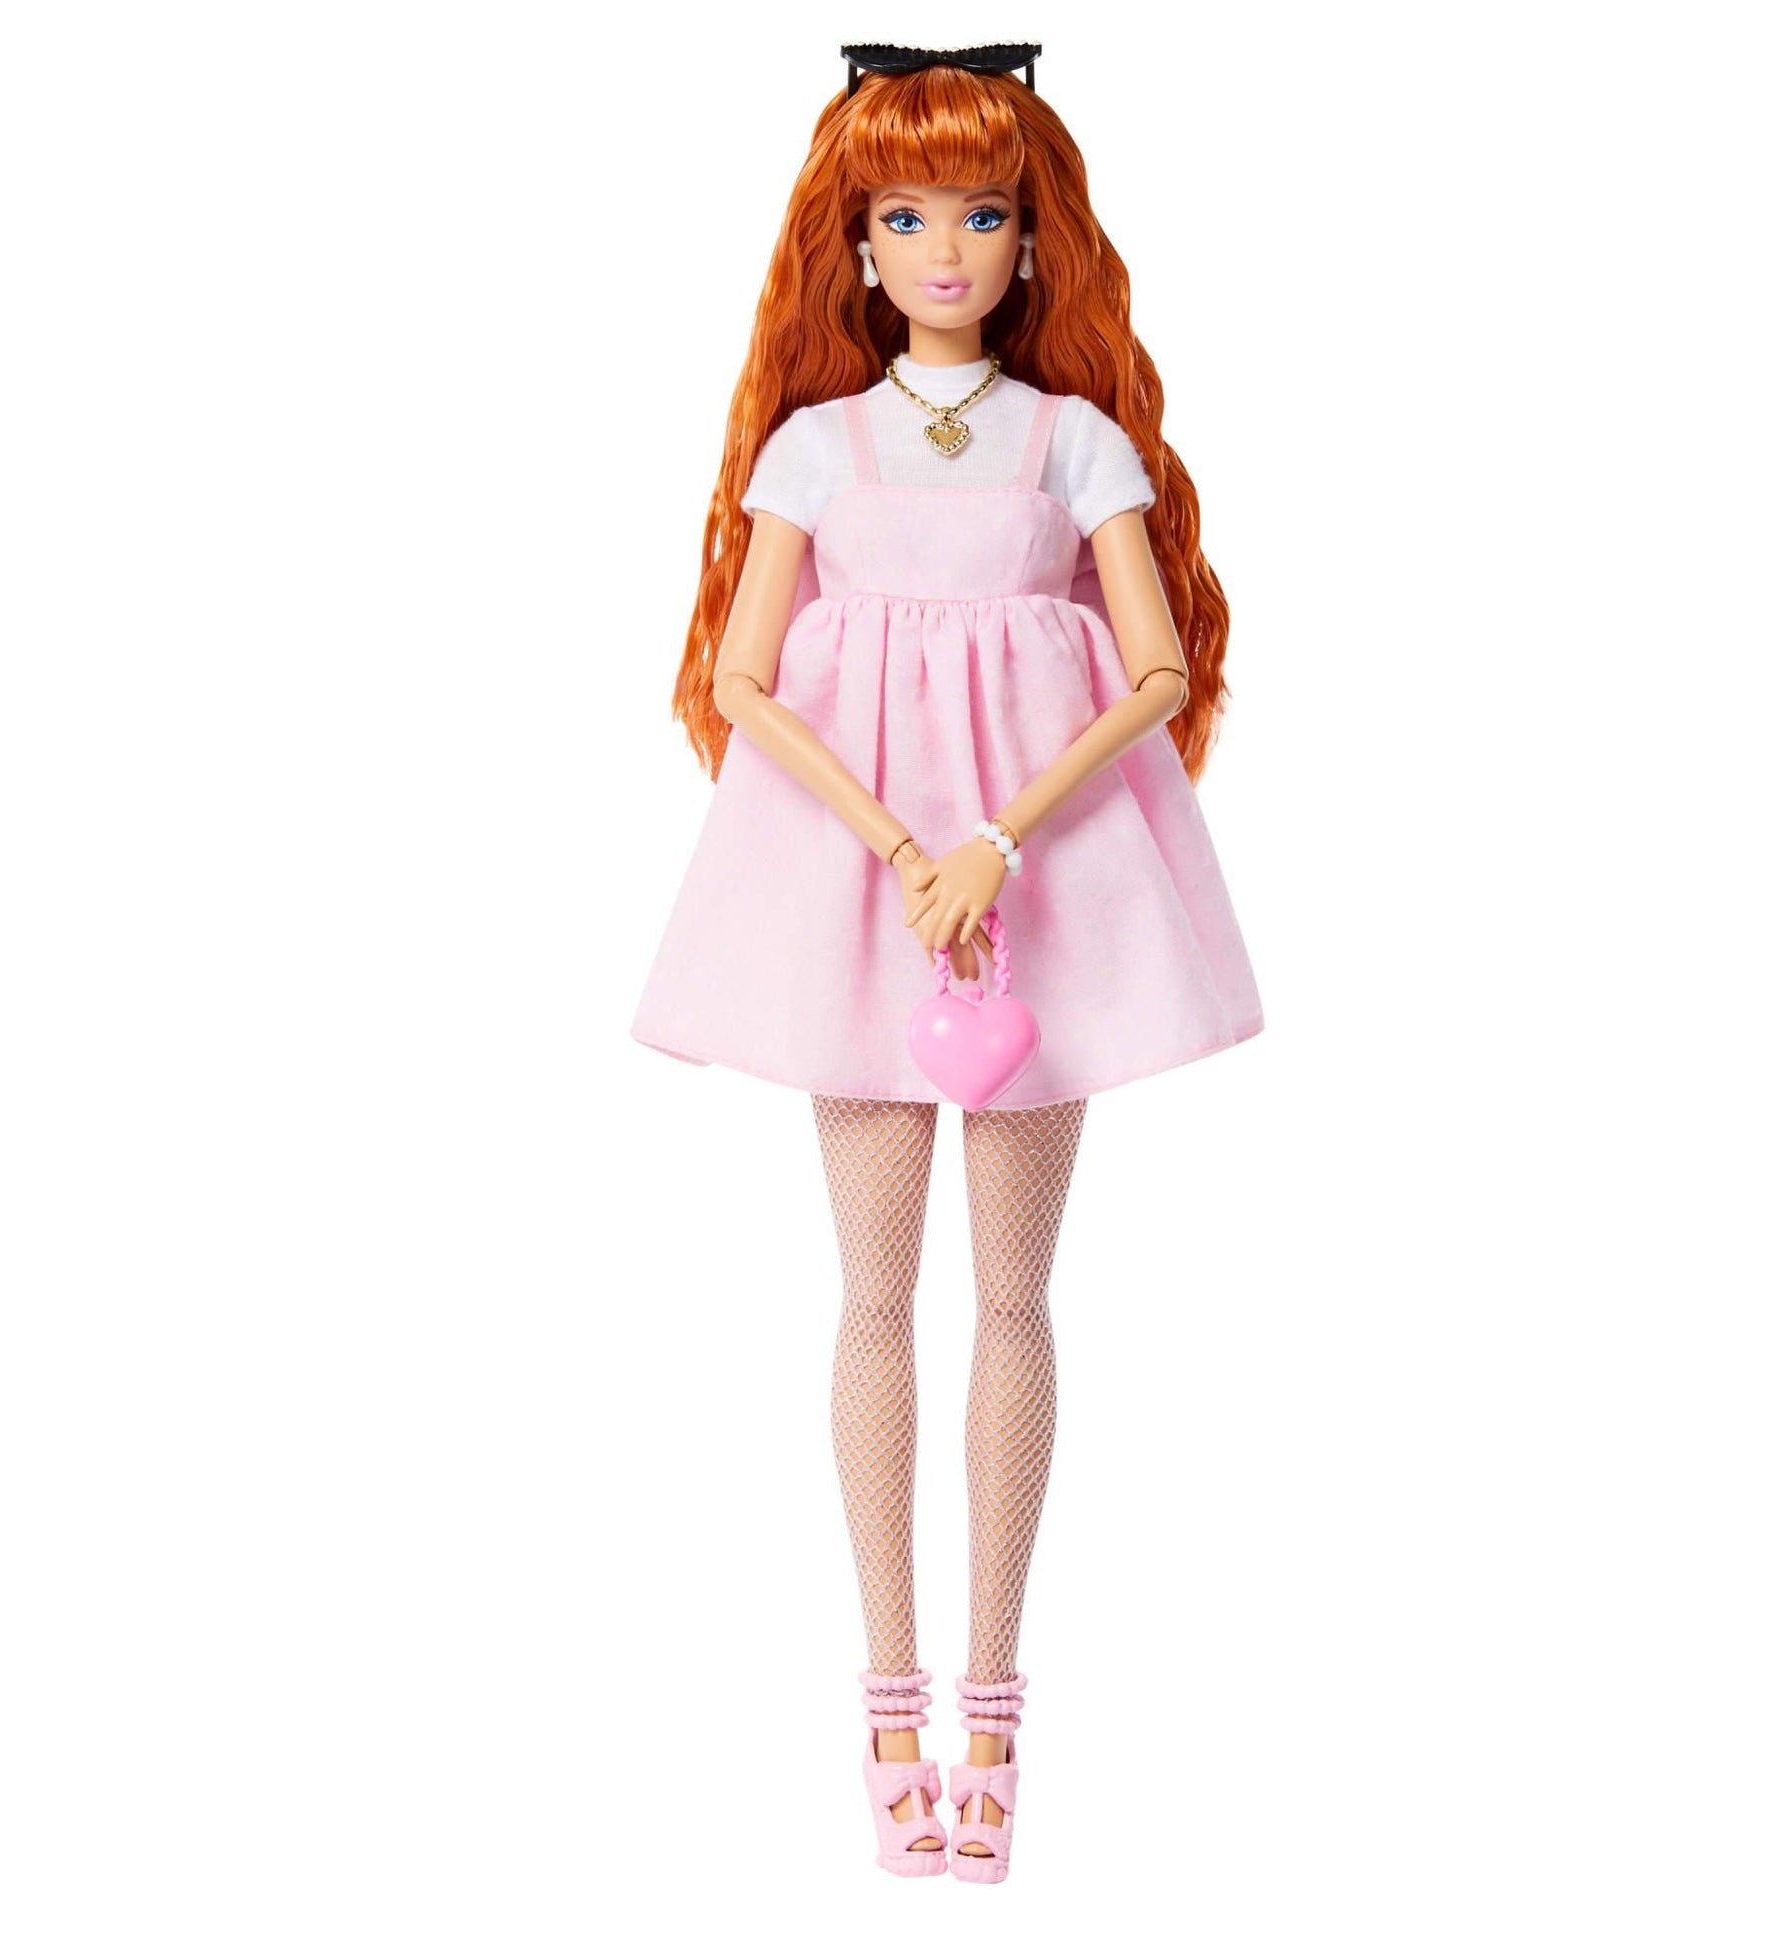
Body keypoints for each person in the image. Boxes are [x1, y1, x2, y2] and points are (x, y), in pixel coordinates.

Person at [629, 43, 1264, 1880]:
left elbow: (1153, 666)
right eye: (905, 216)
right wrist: (901, 846)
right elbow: (748, 676)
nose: (943, 249)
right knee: (873, 1300)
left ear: (1029, 237)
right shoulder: (815, 449)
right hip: (861, 903)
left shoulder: (1073, 443)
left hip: (1033, 901)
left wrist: (995, 835)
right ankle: (883, 1699)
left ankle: (992, 1710)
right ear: (855, 242)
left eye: (979, 214)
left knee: (1013, 1301)